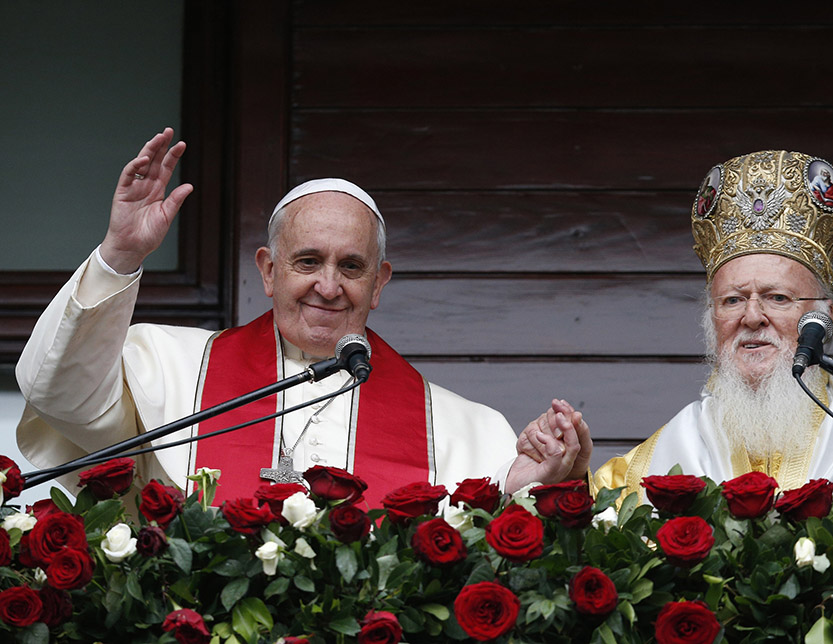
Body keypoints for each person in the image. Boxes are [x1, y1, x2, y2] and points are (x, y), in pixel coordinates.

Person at [15, 128, 591, 506]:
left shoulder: (466, 430)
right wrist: (121, 254)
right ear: (268, 271)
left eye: (352, 266)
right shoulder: (165, 366)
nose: (328, 286)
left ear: (378, 284)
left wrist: (521, 488)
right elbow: (61, 394)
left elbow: (478, 544)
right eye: (308, 261)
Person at [592, 150, 833, 501]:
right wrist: (548, 481)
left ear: (823, 316)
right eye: (732, 300)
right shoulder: (633, 477)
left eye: (778, 298)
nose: (751, 317)